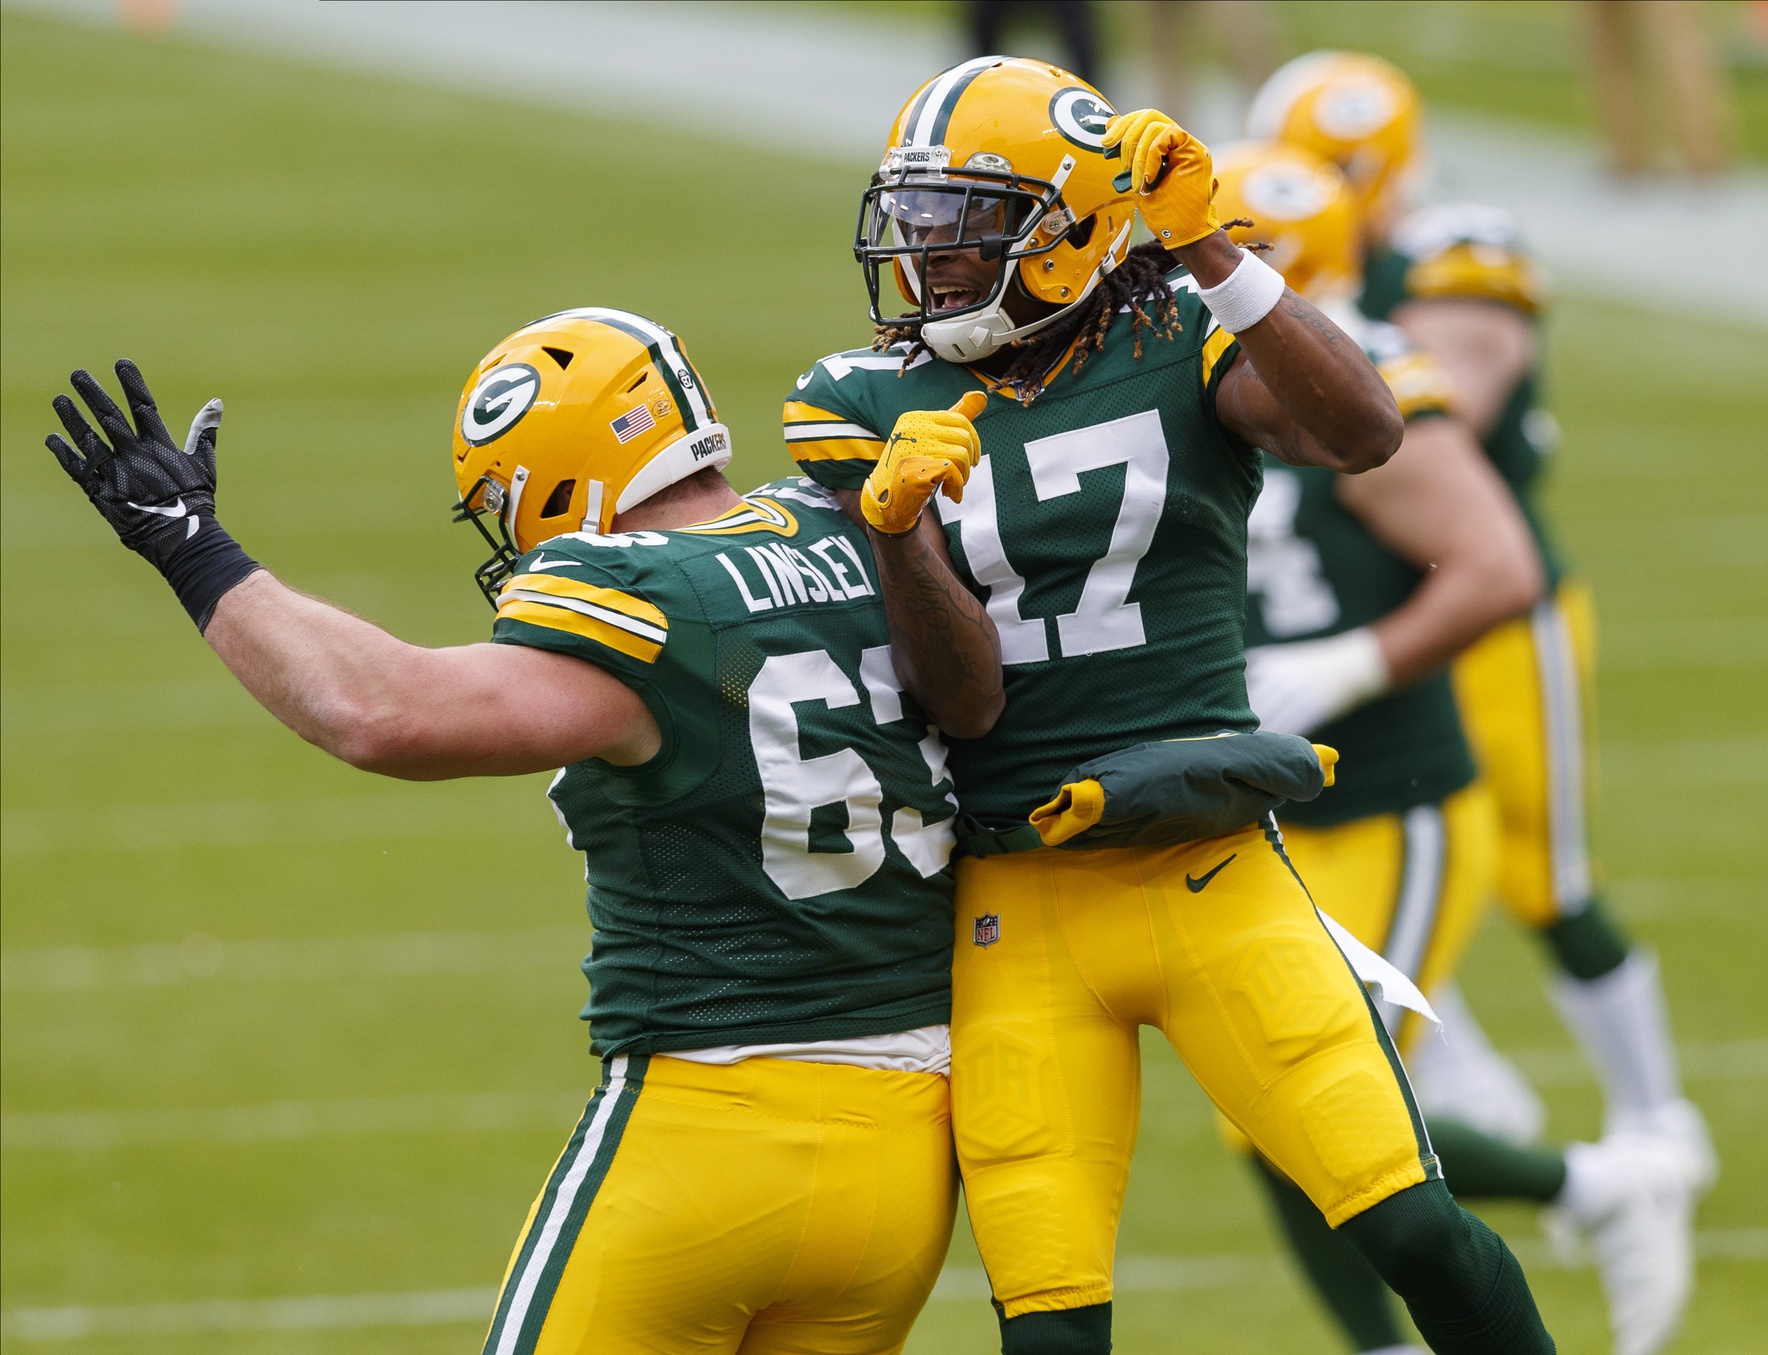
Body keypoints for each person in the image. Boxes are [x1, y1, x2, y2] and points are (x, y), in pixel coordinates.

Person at [44, 307, 1005, 1354]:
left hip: (709, 1134)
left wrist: (192, 549)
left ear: (551, 473)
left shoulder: (643, 595)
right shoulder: (860, 526)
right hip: (906, 1154)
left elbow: (381, 712)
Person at [784, 54, 1555, 1355]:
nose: (927, 256)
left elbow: (1364, 431)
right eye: (913, 218)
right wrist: (901, 532)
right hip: (1014, 898)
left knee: (1413, 1222)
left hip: (1209, 867)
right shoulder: (859, 400)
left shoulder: (1179, 334)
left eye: (966, 219)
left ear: (1074, 224)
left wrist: (1210, 248)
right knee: (1051, 1329)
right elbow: (960, 704)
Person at [1215, 140, 1697, 1355]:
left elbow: (1497, 564)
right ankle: (1424, 1308)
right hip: (1274, 812)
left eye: (1229, 253)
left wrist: (1347, 662)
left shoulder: (1364, 379)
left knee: (1331, 1103)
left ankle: (1591, 1182)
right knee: (1268, 1118)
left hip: (1395, 798)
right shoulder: (1183, 384)